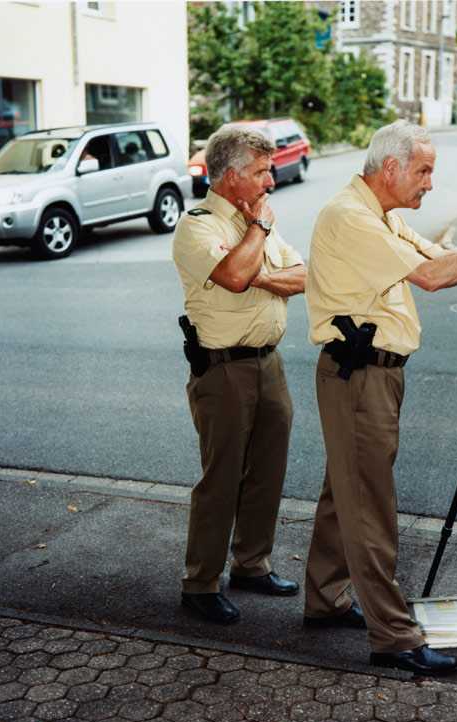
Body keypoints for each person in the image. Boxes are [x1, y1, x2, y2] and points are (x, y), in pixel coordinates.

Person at [302, 120, 457, 676]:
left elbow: (442, 256)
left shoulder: (379, 213)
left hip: (370, 374)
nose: (430, 184)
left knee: (344, 489)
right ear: (390, 168)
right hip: (358, 374)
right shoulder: (350, 216)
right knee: (369, 505)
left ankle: (325, 599)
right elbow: (433, 277)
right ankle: (393, 636)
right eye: (424, 171)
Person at [172, 124, 307, 625]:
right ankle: (200, 582)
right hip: (223, 369)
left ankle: (251, 564)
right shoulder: (199, 224)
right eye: (260, 172)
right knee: (222, 478)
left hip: (269, 363)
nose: (269, 181)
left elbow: (303, 276)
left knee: (268, 471)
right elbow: (230, 276)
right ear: (230, 176)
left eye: (268, 170)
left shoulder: (260, 219)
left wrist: (258, 273)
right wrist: (258, 234)